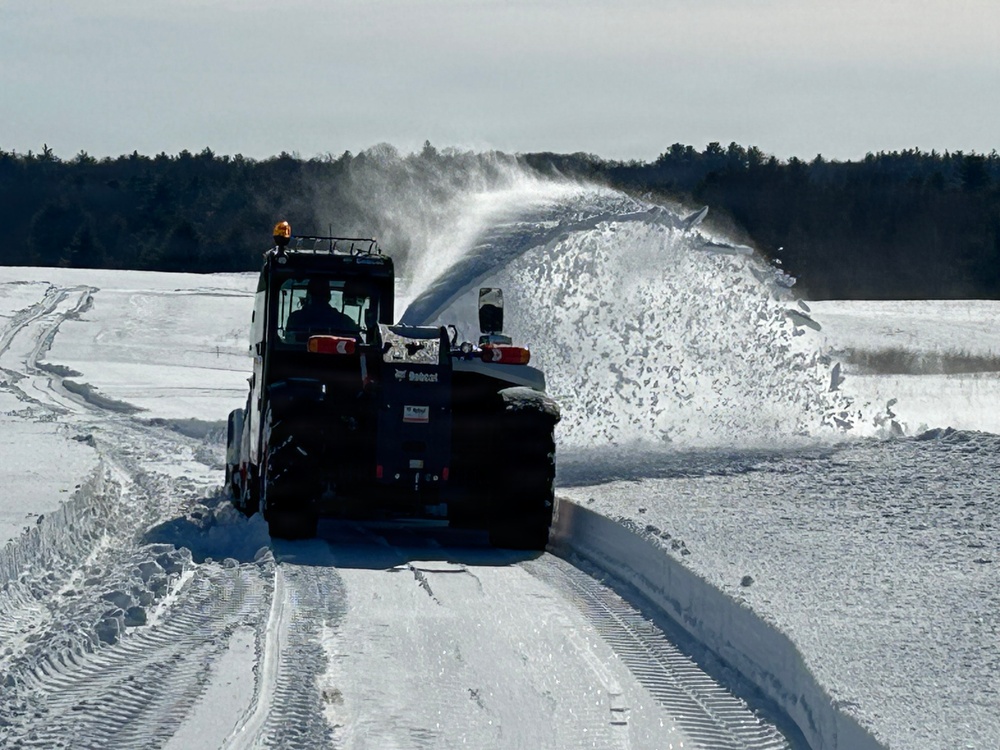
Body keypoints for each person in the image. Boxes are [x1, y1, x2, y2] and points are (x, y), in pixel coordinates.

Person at [286, 278, 360, 336]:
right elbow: (358, 347)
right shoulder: (345, 322)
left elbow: (288, 342)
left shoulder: (295, 319)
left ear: (309, 296)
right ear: (329, 297)